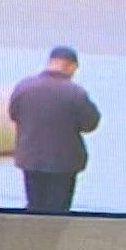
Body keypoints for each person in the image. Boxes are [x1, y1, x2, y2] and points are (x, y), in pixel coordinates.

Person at [8, 45, 100, 213]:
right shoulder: (75, 93)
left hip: (31, 159)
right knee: (59, 211)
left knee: (34, 207)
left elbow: (14, 114)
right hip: (64, 163)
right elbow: (90, 124)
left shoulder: (24, 87)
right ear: (71, 66)